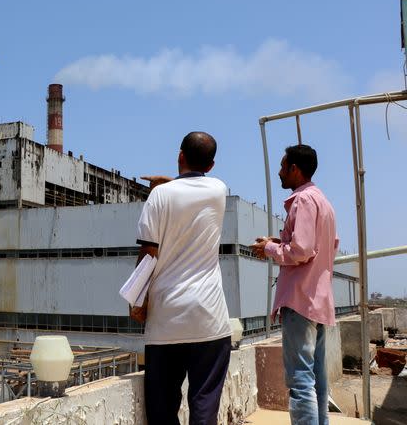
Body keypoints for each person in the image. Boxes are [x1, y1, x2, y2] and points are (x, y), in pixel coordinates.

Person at [137, 131, 232, 425]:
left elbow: (148, 255)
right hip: (210, 320)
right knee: (204, 406)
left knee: (163, 410)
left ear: (180, 155)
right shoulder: (219, 190)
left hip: (167, 320)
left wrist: (137, 301)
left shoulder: (158, 197)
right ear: (212, 165)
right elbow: (193, 189)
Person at [251, 144, 338, 425]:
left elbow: (301, 251)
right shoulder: (324, 202)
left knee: (300, 382)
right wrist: (277, 244)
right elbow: (319, 248)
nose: (279, 172)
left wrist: (269, 249)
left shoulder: (302, 201)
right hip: (319, 300)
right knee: (317, 380)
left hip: (300, 300)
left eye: (282, 166)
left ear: (294, 169)